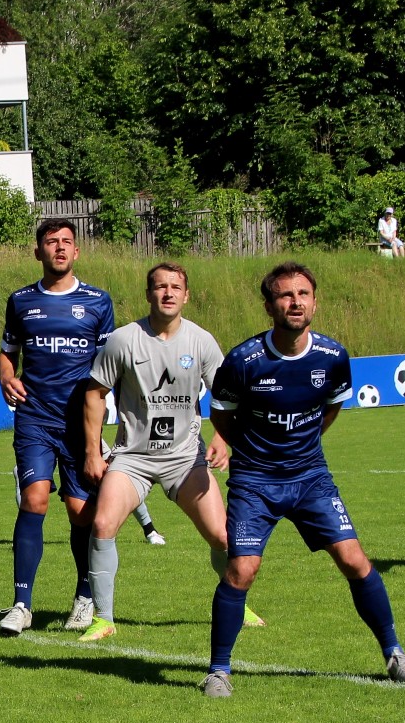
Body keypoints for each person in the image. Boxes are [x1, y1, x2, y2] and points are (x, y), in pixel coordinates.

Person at [205, 262, 405, 697]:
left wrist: (303, 446)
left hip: (310, 478)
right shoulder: (243, 360)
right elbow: (221, 414)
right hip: (255, 483)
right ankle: (218, 671)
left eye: (303, 294)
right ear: (269, 306)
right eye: (285, 295)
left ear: (315, 302)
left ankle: (395, 653)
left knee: (354, 560)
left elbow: (331, 407)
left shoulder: (333, 356)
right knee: (242, 569)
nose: (295, 302)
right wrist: (252, 452)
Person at [77, 263, 264, 643]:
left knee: (223, 536)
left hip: (185, 457)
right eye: (160, 287)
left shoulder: (201, 341)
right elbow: (94, 393)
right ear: (148, 294)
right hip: (134, 457)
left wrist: (222, 438)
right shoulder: (124, 340)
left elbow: (228, 395)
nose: (168, 293)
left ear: (186, 295)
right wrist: (93, 453)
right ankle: (103, 619)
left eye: (175, 287)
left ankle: (236, 603)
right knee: (103, 524)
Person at [0, 219, 116, 634]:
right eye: (52, 242)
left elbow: (110, 365)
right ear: (39, 252)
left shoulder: (98, 301)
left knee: (81, 513)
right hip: (35, 417)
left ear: (76, 251)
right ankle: (21, 605)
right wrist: (6, 377)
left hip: (81, 422)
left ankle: (84, 597)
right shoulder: (21, 300)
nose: (60, 248)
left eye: (67, 242)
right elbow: (8, 352)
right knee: (34, 500)